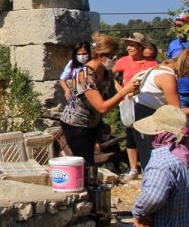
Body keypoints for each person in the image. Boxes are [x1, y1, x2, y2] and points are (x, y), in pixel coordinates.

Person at [130, 47, 189, 169]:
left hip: (144, 114)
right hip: (146, 117)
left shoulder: (160, 68)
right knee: (153, 164)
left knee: (152, 162)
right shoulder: (168, 77)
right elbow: (176, 113)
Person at [59, 36, 140, 167]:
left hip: (92, 122)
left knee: (90, 161)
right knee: (85, 162)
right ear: (101, 55)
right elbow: (101, 107)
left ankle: (91, 184)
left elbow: (114, 92)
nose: (115, 60)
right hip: (76, 123)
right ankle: (85, 186)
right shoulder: (85, 75)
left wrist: (129, 91)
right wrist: (124, 93)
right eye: (112, 56)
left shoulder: (106, 71)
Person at [113, 32, 158, 181]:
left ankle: (150, 166)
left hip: (146, 103)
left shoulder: (151, 64)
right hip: (129, 103)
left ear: (140, 47)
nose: (128, 48)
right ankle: (133, 169)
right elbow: (108, 75)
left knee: (149, 134)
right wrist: (121, 90)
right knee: (131, 135)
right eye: (128, 45)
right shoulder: (123, 61)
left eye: (132, 45)